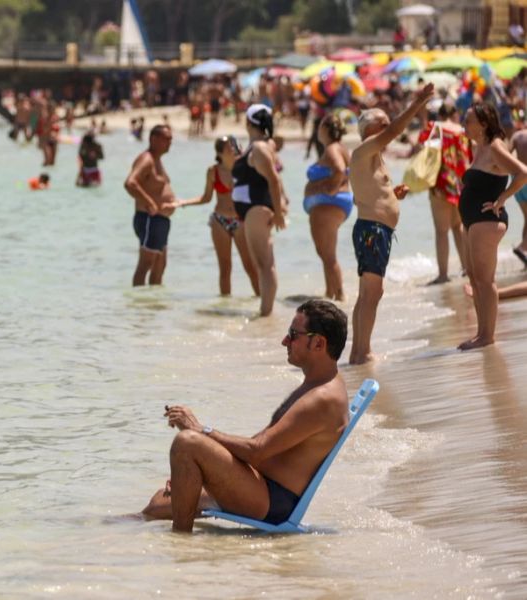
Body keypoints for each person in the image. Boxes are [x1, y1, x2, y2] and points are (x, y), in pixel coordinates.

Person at [141, 300, 350, 533]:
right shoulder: (318, 386)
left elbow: (258, 450)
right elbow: (261, 449)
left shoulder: (321, 399)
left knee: (186, 443)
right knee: (156, 505)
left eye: (293, 334)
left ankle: (181, 545)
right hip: (260, 484)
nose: (285, 341)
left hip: (271, 502)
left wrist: (200, 430)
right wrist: (207, 468)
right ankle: (107, 530)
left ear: (319, 343)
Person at [348, 84, 435, 364]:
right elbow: (397, 130)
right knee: (371, 292)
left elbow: (368, 192)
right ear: (368, 131)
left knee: (368, 293)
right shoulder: (362, 151)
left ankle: (358, 351)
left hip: (376, 229)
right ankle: (363, 352)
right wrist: (417, 103)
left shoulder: (376, 158)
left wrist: (392, 195)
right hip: (372, 231)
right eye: (382, 125)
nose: (388, 128)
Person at [457, 103, 527, 350]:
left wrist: (502, 198)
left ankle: (488, 336)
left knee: (485, 280)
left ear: (483, 124)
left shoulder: (495, 146)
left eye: (468, 120)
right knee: (475, 279)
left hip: (487, 221)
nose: (464, 124)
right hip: (473, 220)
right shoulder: (479, 148)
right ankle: (481, 333)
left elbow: (523, 173)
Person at [176, 135, 259, 296]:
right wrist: (183, 203)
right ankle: (225, 305)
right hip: (219, 220)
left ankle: (262, 303)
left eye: (233, 146)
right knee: (225, 267)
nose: (232, 148)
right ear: (219, 152)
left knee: (249, 265)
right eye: (228, 147)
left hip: (240, 220)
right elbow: (206, 197)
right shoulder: (212, 171)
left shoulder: (243, 168)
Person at [232, 104, 287, 316]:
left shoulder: (259, 148)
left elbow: (273, 179)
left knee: (265, 264)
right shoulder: (261, 145)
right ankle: (265, 310)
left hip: (258, 208)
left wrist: (280, 210)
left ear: (247, 123)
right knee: (262, 263)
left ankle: (266, 313)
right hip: (253, 209)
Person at [417, 104, 471, 284]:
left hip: (441, 184)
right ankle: (466, 268)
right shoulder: (463, 130)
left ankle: (443, 274)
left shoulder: (434, 127)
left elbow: (421, 145)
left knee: (441, 231)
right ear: (455, 114)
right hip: (462, 185)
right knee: (459, 228)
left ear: (440, 115)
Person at [124, 125, 184, 286]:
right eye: (166, 139)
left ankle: (152, 307)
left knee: (160, 265)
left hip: (160, 220)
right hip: (149, 218)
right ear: (153, 139)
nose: (170, 142)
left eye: (171, 139)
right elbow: (130, 183)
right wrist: (149, 202)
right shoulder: (147, 159)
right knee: (145, 265)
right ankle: (138, 306)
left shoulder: (157, 160)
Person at [303, 113, 352, 301]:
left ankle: (339, 295)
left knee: (328, 254)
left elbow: (340, 170)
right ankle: (330, 292)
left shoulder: (332, 149)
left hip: (328, 205)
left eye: (320, 126)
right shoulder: (341, 148)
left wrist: (328, 188)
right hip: (335, 204)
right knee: (325, 252)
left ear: (324, 129)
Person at [509, 129, 527, 267]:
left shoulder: (516, 135)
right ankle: (522, 247)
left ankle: (525, 258)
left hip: (517, 179)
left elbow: (506, 154)